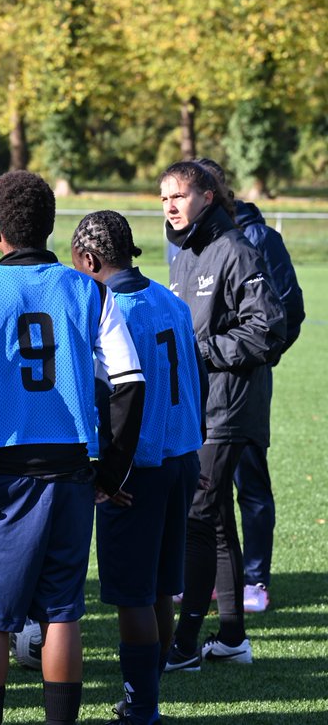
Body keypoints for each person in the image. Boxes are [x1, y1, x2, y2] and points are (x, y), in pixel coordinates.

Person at [0, 171, 145, 725]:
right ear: (51, 229)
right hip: (72, 468)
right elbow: (129, 382)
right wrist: (111, 472)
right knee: (62, 613)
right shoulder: (90, 289)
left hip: (1, 475)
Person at [71, 211, 204, 725]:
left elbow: (107, 396)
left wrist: (107, 471)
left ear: (89, 260)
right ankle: (149, 694)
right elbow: (198, 381)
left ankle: (141, 706)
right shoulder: (170, 299)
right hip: (182, 458)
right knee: (157, 589)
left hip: (136, 469)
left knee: (132, 595)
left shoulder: (108, 310)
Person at [160, 161, 286, 671]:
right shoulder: (186, 252)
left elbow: (269, 329)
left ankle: (185, 645)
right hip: (200, 404)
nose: (169, 205)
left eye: (179, 195)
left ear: (208, 197)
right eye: (163, 197)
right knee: (213, 522)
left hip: (230, 406)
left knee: (198, 514)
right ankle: (231, 636)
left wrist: (203, 348)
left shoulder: (235, 249)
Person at [195, 158, 304, 614]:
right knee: (206, 489)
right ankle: (212, 579)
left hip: (243, 384)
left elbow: (286, 315)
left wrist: (257, 360)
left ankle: (255, 579)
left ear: (219, 191)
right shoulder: (187, 242)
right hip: (202, 389)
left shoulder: (258, 239)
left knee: (251, 481)